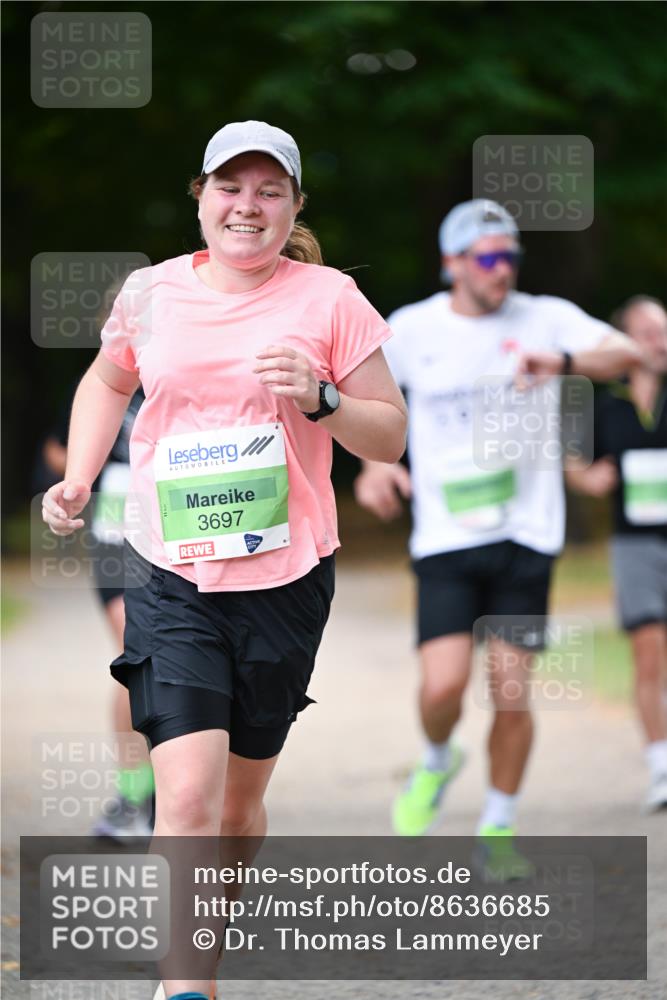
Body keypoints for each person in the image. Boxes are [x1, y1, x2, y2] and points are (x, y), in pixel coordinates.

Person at [42, 120, 407, 998]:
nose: (248, 206)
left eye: (268, 191)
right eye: (230, 189)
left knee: (239, 806)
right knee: (190, 795)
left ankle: (202, 935)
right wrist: (81, 476)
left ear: (292, 207)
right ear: (201, 197)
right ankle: (185, 987)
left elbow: (389, 437)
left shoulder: (328, 300)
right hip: (169, 570)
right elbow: (106, 379)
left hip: (284, 578)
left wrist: (321, 400)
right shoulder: (151, 293)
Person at [354, 199, 640, 873]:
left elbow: (625, 353)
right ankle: (434, 759)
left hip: (526, 534)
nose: (501, 268)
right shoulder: (412, 328)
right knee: (442, 689)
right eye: (486, 256)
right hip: (446, 539)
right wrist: (374, 468)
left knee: (510, 691)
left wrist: (563, 360)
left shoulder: (543, 317)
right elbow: (370, 403)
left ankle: (498, 828)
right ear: (451, 262)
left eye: (509, 254)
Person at [566, 295, 667, 812]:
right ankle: (660, 766)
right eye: (647, 331)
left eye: (664, 330)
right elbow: (572, 462)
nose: (659, 340)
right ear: (624, 340)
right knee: (648, 650)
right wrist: (588, 478)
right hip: (634, 544)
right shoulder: (605, 405)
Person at [41, 386, 155, 838]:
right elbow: (56, 448)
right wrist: (80, 473)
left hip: (184, 515)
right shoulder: (106, 381)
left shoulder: (198, 352)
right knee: (136, 649)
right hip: (117, 518)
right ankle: (133, 795)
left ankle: (183, 789)